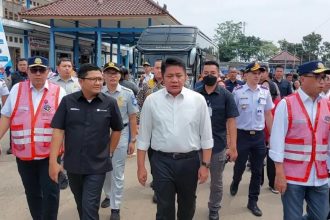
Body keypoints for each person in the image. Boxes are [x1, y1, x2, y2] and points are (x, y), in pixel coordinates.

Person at [137, 58, 213, 220]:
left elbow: (206, 136)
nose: (174, 80)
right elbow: (143, 137)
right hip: (161, 162)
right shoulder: (152, 101)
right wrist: (141, 167)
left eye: (179, 75)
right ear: (162, 77)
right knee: (164, 206)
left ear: (186, 77)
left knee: (188, 204)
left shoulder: (197, 100)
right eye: (170, 76)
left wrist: (205, 165)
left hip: (189, 162)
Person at [49, 63, 124, 220]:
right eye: (94, 79)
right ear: (81, 81)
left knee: (90, 205)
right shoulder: (68, 102)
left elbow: (117, 129)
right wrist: (53, 161)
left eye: (100, 79)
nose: (98, 82)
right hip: (73, 164)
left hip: (98, 165)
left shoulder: (109, 103)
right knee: (81, 204)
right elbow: (58, 131)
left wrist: (109, 151)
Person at [0, 56, 66, 220]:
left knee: (50, 193)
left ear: (48, 72)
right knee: (32, 192)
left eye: (41, 70)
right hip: (24, 155)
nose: (38, 74)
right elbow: (6, 116)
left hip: (49, 155)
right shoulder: (16, 89)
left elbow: (66, 124)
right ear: (27, 71)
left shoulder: (58, 92)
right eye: (33, 70)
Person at [270, 61, 330, 220]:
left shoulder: (327, 105)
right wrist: (279, 173)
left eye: (324, 77)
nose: (322, 81)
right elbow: (276, 141)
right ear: (303, 79)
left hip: (320, 175)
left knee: (321, 216)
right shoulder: (287, 104)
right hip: (293, 177)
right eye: (317, 77)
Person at [196, 61, 239, 220]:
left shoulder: (226, 95)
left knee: (216, 182)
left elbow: (232, 122)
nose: (209, 76)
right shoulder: (195, 94)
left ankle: (214, 209)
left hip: (218, 146)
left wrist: (232, 146)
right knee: (191, 179)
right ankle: (189, 205)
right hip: (196, 146)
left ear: (219, 74)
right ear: (202, 75)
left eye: (212, 73)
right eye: (206, 72)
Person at [230, 62, 274, 217]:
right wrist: (232, 142)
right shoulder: (237, 92)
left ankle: (252, 201)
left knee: (257, 170)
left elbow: (268, 114)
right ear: (246, 74)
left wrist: (273, 136)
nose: (257, 75)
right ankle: (235, 181)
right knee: (240, 166)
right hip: (242, 135)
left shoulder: (265, 92)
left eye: (259, 73)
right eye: (254, 73)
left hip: (259, 137)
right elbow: (232, 118)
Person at [100, 62, 138, 220]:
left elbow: (132, 117)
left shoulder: (128, 93)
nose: (112, 76)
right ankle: (108, 195)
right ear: (104, 75)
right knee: (104, 169)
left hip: (121, 133)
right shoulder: (98, 92)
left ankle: (115, 207)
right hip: (101, 134)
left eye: (115, 73)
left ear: (120, 75)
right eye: (108, 73)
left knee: (117, 171)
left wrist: (132, 140)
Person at [136, 59, 164, 203]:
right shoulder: (148, 85)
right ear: (153, 69)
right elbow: (139, 104)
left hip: (168, 130)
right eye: (157, 68)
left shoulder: (174, 86)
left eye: (162, 68)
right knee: (154, 160)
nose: (159, 70)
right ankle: (157, 188)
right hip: (152, 131)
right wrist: (140, 123)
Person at [6, 58, 29, 155]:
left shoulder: (31, 74)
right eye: (21, 65)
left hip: (30, 104)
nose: (23, 66)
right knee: (14, 125)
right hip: (17, 105)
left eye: (24, 64)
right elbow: (7, 90)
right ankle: (12, 146)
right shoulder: (13, 76)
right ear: (17, 66)